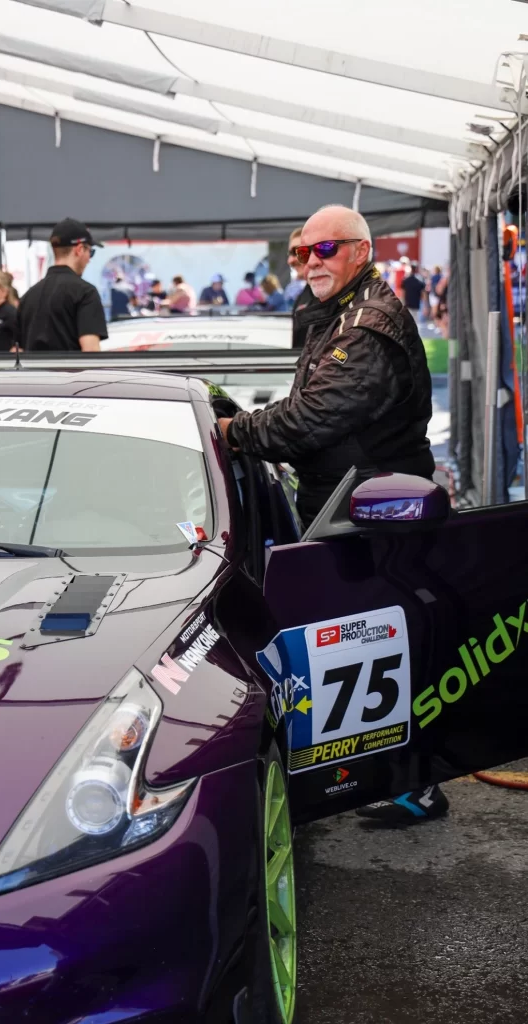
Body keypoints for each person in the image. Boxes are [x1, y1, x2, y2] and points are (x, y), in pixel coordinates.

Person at [217, 204, 446, 825]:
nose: (309, 263)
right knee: (357, 643)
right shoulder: (333, 314)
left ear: (360, 251)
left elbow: (310, 419)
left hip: (375, 509)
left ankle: (413, 782)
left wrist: (235, 430)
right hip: (344, 501)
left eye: (325, 251)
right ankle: (377, 772)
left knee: (378, 642)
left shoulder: (369, 325)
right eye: (301, 252)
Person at [17, 218, 107, 351]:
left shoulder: (28, 297)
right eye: (90, 252)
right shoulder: (85, 293)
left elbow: (19, 351)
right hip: (71, 371)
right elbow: (91, 353)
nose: (89, 259)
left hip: (34, 372)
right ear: (79, 249)